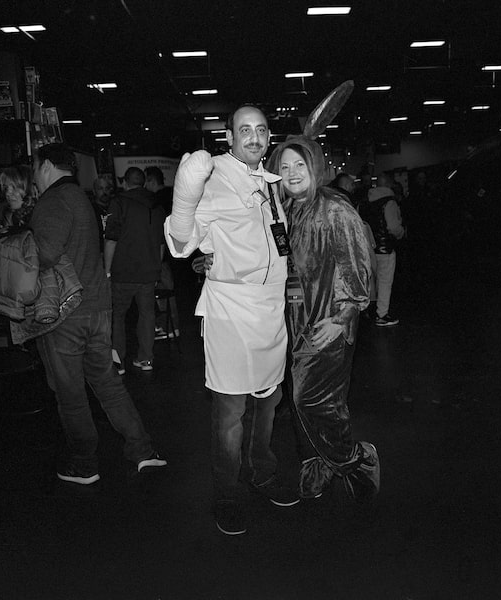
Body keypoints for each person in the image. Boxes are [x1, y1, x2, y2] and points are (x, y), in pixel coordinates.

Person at [164, 104, 298, 536]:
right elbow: (183, 243)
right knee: (229, 413)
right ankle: (227, 494)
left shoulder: (270, 181)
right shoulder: (213, 176)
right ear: (229, 137)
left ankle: (262, 472)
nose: (254, 137)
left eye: (261, 130)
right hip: (232, 311)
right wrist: (186, 197)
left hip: (270, 311)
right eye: (245, 130)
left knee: (268, 403)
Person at [29, 143, 166, 484]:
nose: (33, 176)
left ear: (46, 165)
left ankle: (84, 463)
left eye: (34, 168)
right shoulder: (81, 197)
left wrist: (18, 247)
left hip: (66, 313)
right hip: (96, 307)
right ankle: (143, 451)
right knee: (108, 384)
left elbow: (44, 254)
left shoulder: (53, 202)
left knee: (70, 394)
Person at [266, 136, 380, 502]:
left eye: (299, 165)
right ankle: (316, 467)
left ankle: (355, 459)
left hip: (327, 320)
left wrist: (342, 317)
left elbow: (357, 264)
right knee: (300, 400)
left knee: (312, 399)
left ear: (314, 166)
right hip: (293, 320)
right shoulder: (288, 209)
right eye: (284, 167)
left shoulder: (334, 208)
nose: (292, 173)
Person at [104, 167, 166, 373]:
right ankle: (146, 359)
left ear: (124, 182)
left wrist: (107, 270)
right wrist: (156, 266)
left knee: (117, 317)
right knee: (147, 314)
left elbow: (111, 239)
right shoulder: (157, 205)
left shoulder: (119, 203)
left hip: (123, 270)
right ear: (144, 182)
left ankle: (118, 362)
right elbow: (161, 243)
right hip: (148, 270)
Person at [360, 173, 406, 326]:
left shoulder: (365, 202)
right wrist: (401, 233)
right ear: (389, 184)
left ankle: (365, 311)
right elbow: (393, 227)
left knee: (369, 282)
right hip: (385, 248)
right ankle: (382, 314)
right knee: (385, 281)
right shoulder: (389, 202)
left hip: (367, 249)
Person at [144, 166, 180, 340]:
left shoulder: (155, 202)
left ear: (151, 181)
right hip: (175, 251)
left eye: (146, 181)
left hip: (162, 253)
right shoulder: (173, 196)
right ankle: (171, 326)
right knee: (168, 291)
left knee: (163, 290)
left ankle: (168, 327)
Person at [91, 175, 114, 251]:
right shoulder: (90, 211)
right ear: (94, 191)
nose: (104, 192)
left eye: (107, 188)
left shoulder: (117, 208)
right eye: (100, 188)